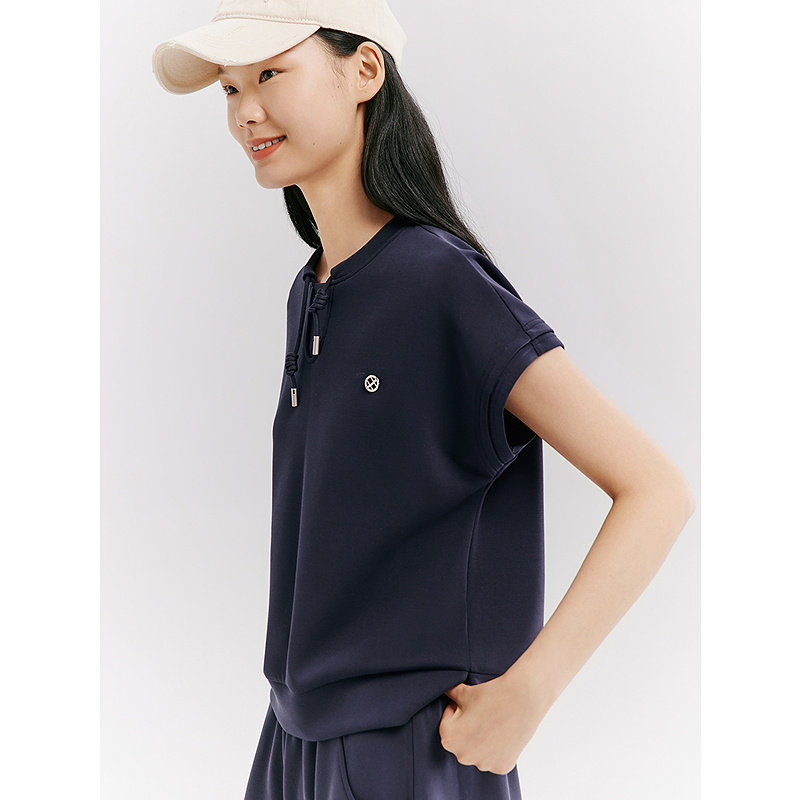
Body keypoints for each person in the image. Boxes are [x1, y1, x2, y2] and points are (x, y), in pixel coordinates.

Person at [152, 2, 696, 798]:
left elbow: (656, 490)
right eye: (230, 88)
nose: (246, 112)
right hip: (292, 740)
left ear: (364, 70)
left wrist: (529, 693)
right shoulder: (313, 288)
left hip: (409, 750)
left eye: (270, 73)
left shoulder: (439, 283)